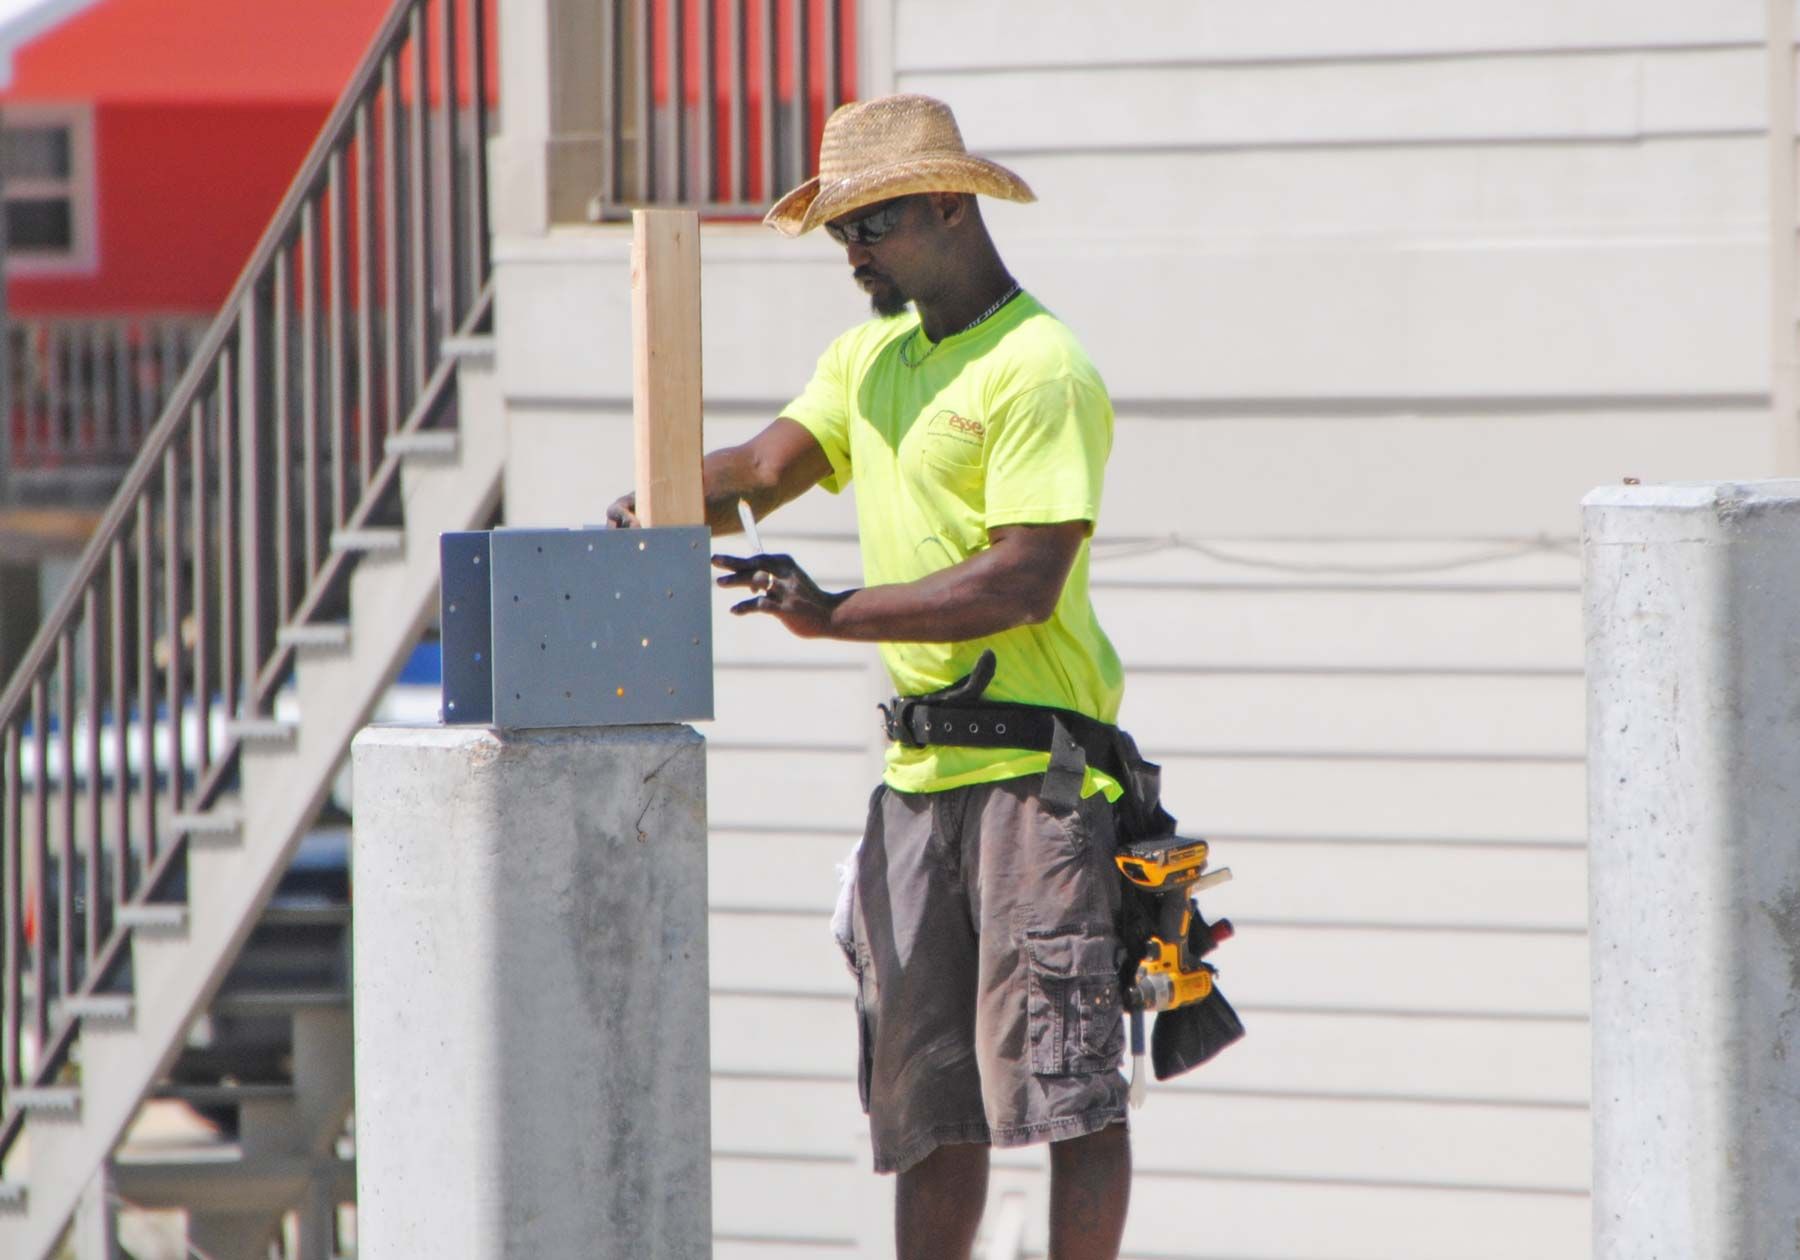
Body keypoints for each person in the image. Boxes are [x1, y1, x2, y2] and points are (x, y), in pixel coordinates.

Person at [608, 93, 1131, 1260]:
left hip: (1035, 779)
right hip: (921, 779)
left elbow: (1022, 582)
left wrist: (832, 613)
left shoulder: (1038, 366)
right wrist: (662, 491)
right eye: (842, 231)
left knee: (1067, 1083)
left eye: (873, 225)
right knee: (928, 1100)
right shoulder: (872, 357)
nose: (852, 253)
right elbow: (763, 467)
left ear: (949, 203)